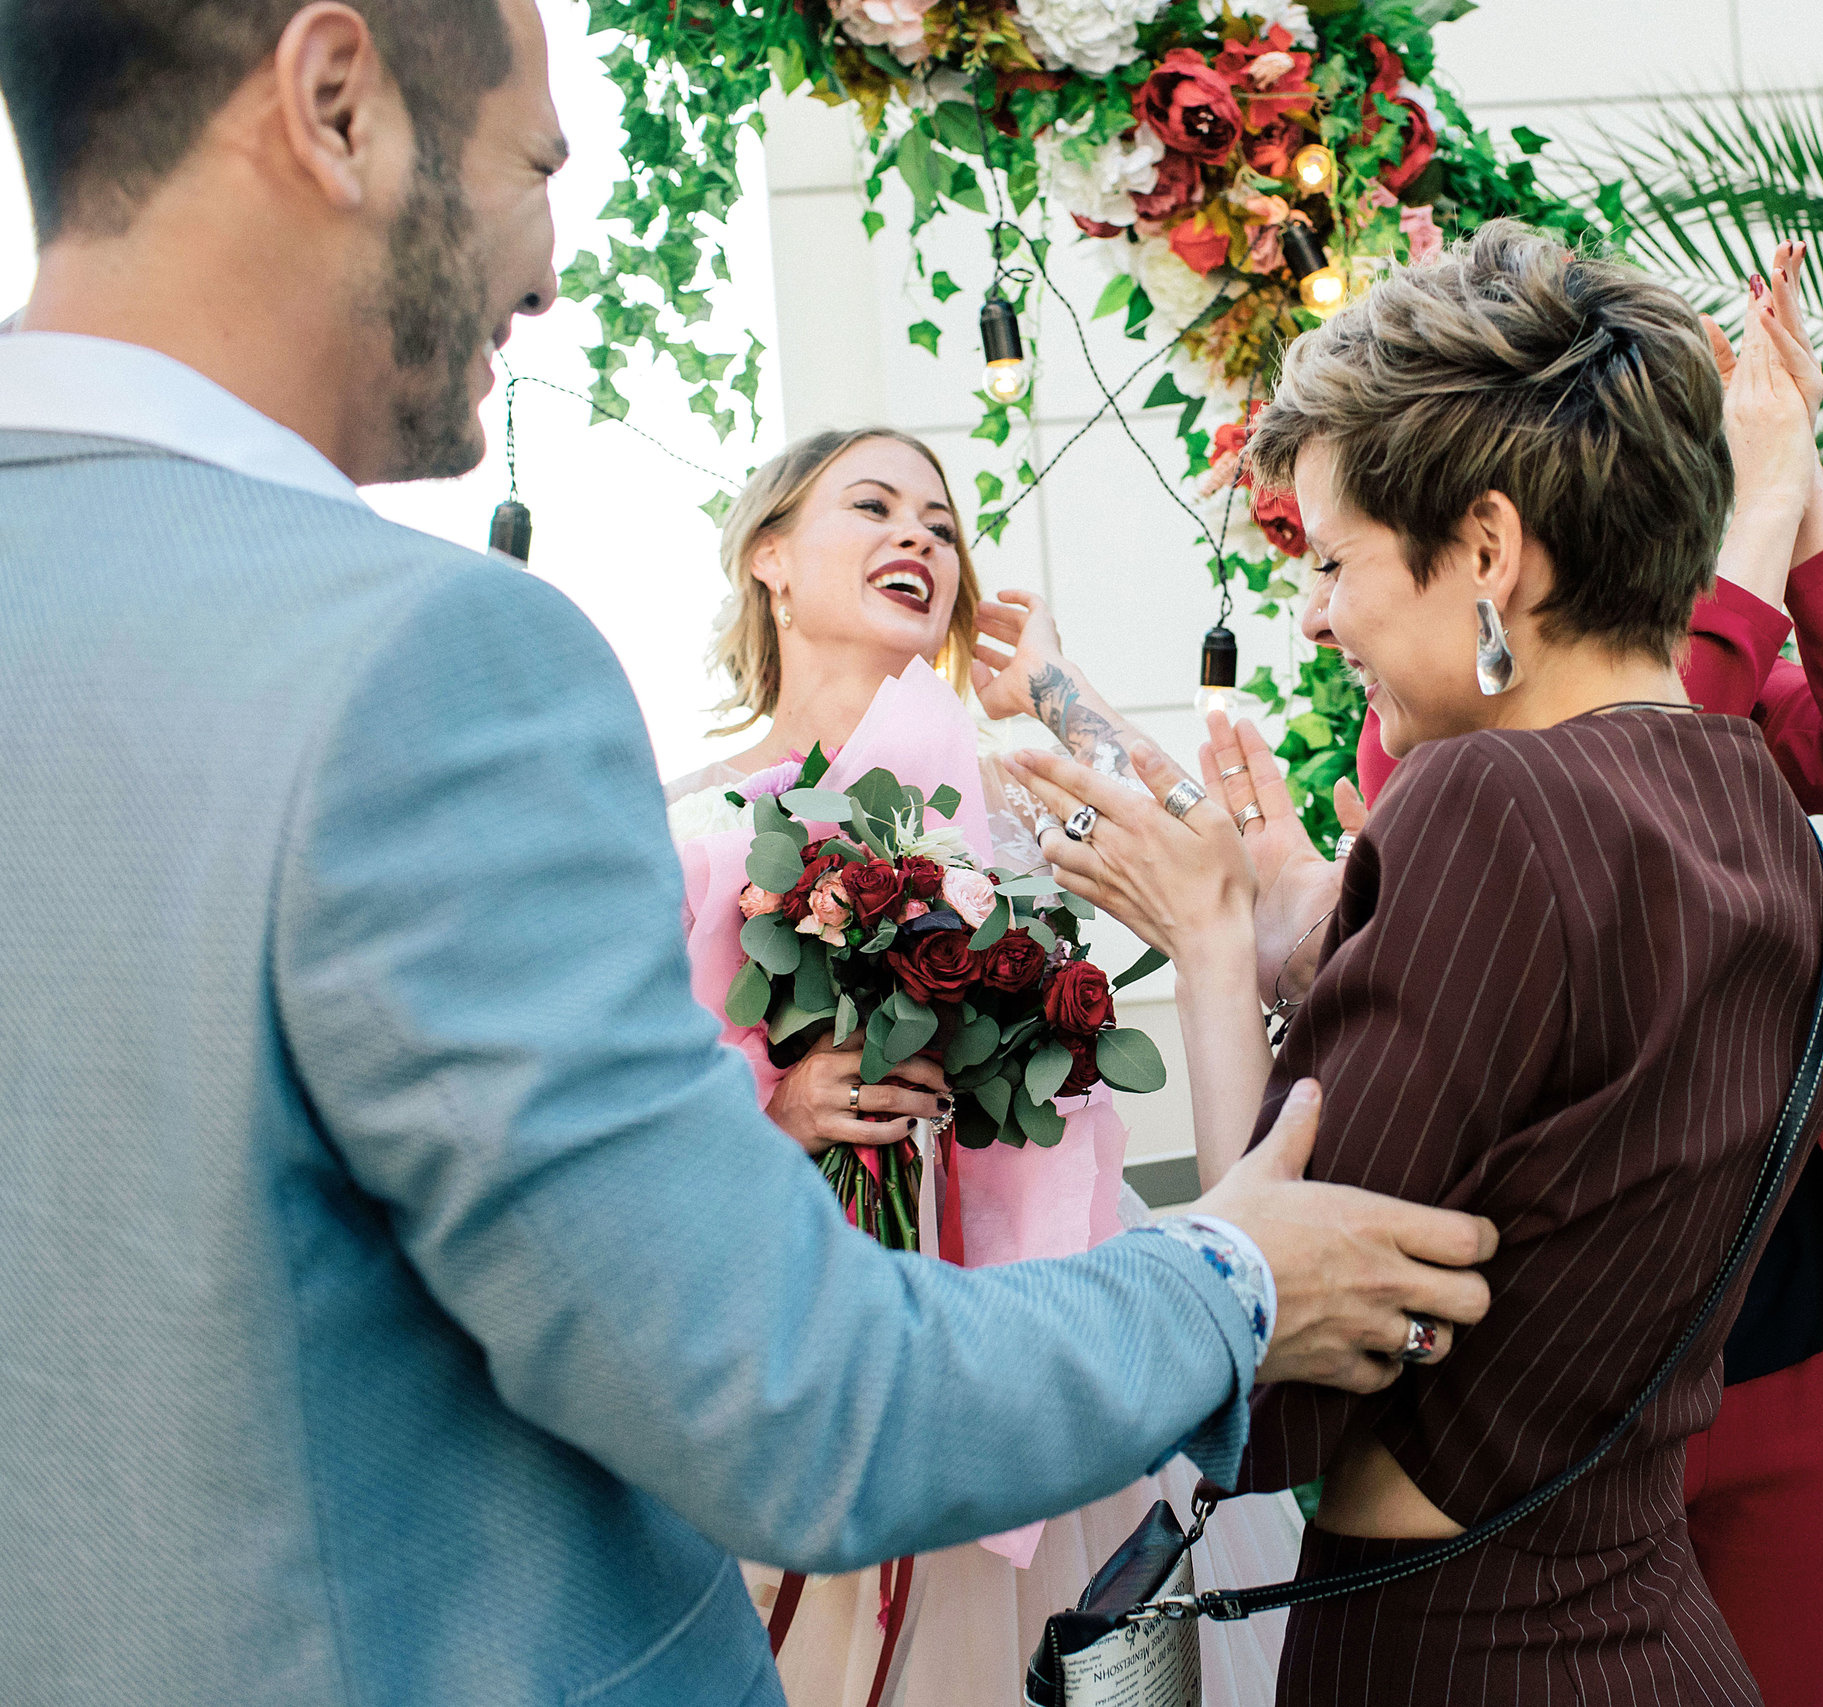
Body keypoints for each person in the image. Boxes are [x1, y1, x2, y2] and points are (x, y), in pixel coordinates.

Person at [0, 6, 1499, 1704]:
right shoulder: (428, 665)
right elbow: (786, 1389)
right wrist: (1235, 1275)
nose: (550, 271)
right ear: (335, 103)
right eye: (536, 170)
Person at [1010, 221, 1823, 1705]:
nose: (1316, 610)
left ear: (1487, 549)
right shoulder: (1753, 804)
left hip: (1465, 1652)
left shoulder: (1489, 800)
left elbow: (1276, 1360)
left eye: (1332, 559)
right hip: (1654, 1628)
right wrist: (1296, 958)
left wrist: (1209, 944)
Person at [1334, 243, 1823, 1707]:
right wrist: (1754, 532)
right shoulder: (1432, 744)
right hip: (1576, 1345)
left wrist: (1800, 474)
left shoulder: (1708, 650)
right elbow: (1649, 784)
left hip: (1788, 1289)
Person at [660, 425, 1300, 1706]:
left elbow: (1205, 858)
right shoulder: (687, 817)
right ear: (771, 557)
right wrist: (778, 1107)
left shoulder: (1001, 802)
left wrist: (1054, 692)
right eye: (876, 506)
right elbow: (628, 1093)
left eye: (942, 526)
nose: (919, 537)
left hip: (1035, 1313)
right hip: (810, 1337)